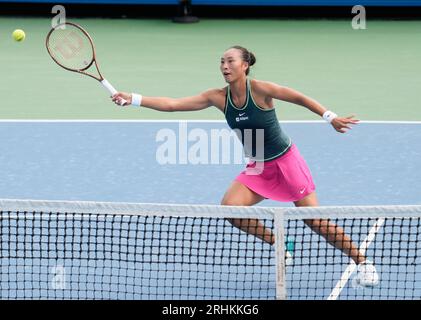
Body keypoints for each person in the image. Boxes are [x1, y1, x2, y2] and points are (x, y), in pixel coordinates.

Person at [111, 45, 378, 286]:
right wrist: (133, 98)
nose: (224, 67)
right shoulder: (217, 97)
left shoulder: (260, 89)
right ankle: (280, 244)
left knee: (316, 222)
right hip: (258, 167)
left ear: (245, 65)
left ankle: (362, 262)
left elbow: (298, 97)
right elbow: (172, 105)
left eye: (230, 61)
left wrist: (329, 117)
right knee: (230, 209)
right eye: (221, 62)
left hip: (286, 162)